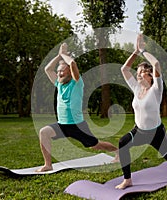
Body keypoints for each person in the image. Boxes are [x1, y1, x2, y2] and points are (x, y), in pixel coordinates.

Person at [115, 34, 167, 189]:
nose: (137, 73)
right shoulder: (137, 88)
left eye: (141, 71)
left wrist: (143, 50)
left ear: (150, 75)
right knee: (122, 143)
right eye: (137, 71)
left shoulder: (157, 89)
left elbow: (156, 64)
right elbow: (124, 69)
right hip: (139, 131)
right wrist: (135, 51)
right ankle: (127, 179)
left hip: (156, 133)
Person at [36, 43, 119, 172]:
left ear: (69, 71)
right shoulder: (59, 84)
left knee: (95, 145)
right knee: (43, 132)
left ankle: (118, 151)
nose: (59, 73)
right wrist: (59, 56)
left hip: (77, 125)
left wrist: (64, 55)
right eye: (58, 71)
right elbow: (47, 69)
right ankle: (48, 164)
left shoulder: (77, 83)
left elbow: (73, 64)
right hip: (62, 125)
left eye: (62, 70)